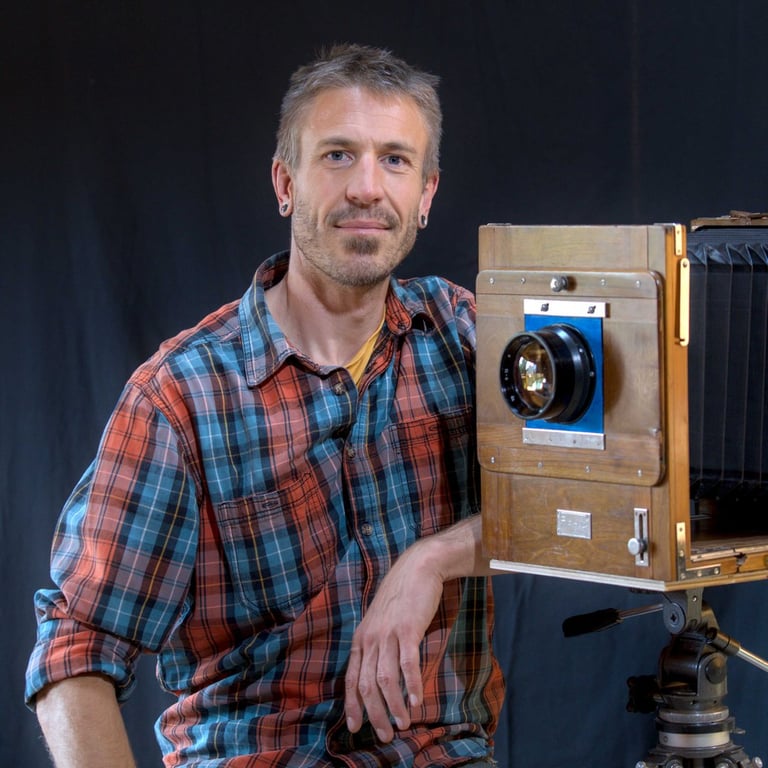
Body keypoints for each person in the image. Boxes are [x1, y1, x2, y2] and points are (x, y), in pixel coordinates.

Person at [25, 43, 505, 767]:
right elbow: (75, 650)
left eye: (395, 160)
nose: (367, 189)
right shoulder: (183, 398)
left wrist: (432, 560)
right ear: (285, 183)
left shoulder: (465, 338)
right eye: (338, 156)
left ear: (427, 195)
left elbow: (582, 505)